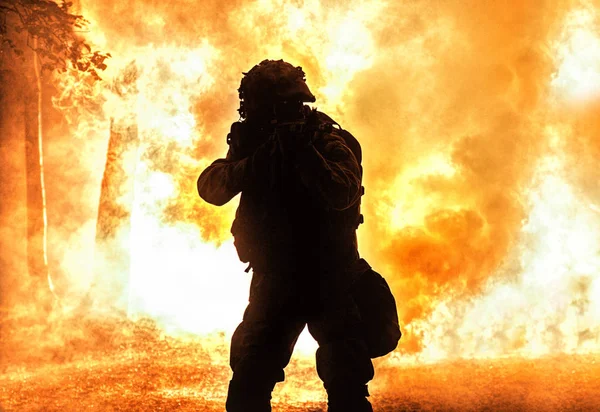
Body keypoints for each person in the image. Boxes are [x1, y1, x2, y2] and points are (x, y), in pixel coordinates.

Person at [197, 59, 375, 411]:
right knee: (250, 377)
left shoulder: (328, 139)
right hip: (276, 278)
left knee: (347, 380)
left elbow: (343, 192)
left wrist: (303, 153)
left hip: (331, 278)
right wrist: (260, 159)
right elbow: (211, 187)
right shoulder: (254, 142)